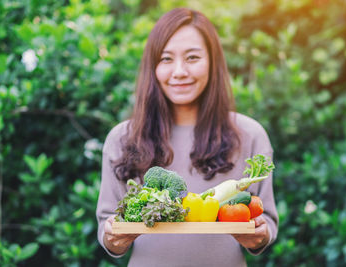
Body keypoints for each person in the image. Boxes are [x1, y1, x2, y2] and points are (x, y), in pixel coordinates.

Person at [96, 7, 278, 267]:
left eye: (192, 57)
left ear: (212, 62)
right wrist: (114, 238)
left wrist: (258, 237)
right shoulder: (123, 138)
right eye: (166, 59)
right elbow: (107, 225)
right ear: (153, 66)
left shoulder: (249, 135)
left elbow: (267, 222)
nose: (179, 71)